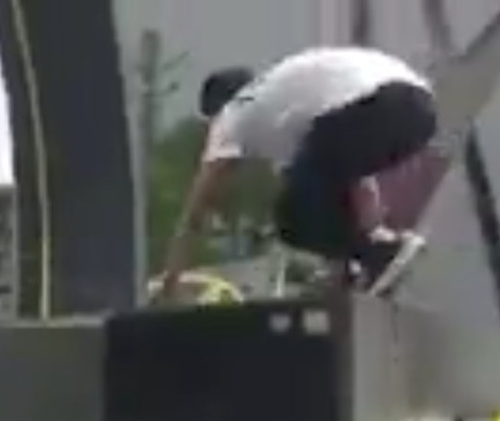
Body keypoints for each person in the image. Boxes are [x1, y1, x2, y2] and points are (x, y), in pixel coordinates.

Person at [160, 46, 438, 298]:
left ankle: (379, 253)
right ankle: (362, 262)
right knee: (314, 190)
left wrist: (171, 283)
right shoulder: (284, 107)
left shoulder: (234, 114)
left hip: (376, 104)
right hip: (420, 113)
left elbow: (197, 211)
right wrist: (366, 239)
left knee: (291, 218)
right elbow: (357, 186)